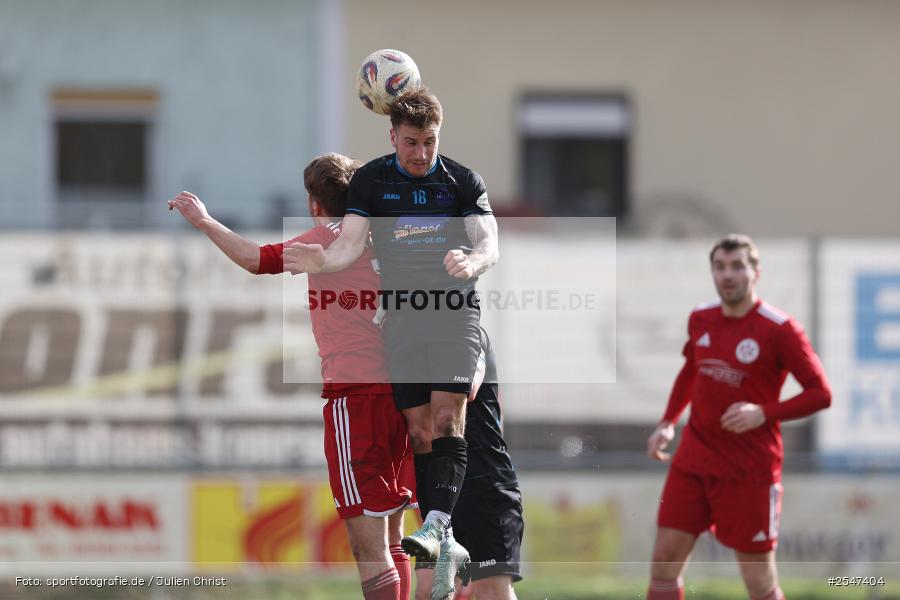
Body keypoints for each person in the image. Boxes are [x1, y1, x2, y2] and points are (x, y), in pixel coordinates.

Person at [283, 89, 499, 600]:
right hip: (402, 328)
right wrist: (314, 258)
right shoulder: (373, 182)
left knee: (448, 422)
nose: (421, 154)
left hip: (451, 314)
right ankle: (444, 543)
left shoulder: (463, 180)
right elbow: (350, 244)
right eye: (410, 143)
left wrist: (474, 263)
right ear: (392, 137)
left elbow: (489, 238)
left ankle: (441, 528)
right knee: (422, 433)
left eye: (429, 142)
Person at [168, 153, 414, 600]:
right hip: (403, 396)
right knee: (394, 534)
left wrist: (204, 221)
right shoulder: (386, 235)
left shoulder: (323, 240)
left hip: (355, 397)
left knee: (367, 547)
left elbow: (256, 259)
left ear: (315, 204)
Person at [645, 234, 832, 600]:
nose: (727, 275)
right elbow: (690, 371)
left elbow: (821, 394)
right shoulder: (701, 317)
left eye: (737, 266)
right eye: (719, 266)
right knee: (664, 561)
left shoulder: (780, 328)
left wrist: (764, 412)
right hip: (694, 459)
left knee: (758, 582)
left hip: (749, 469)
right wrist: (668, 422)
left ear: (755, 272)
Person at [414, 326, 523, 600]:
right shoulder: (408, 342)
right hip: (440, 491)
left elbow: (470, 385)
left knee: (490, 590)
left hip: (485, 486)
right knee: (429, 591)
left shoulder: (467, 334)